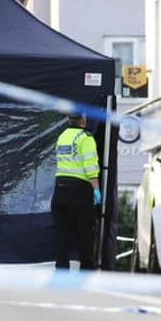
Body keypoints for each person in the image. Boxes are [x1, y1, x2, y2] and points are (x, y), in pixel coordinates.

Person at [52, 113, 101, 270]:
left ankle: (61, 269)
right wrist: (96, 189)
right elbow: (91, 166)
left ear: (68, 120)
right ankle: (86, 269)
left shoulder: (62, 137)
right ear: (84, 121)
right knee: (85, 233)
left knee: (62, 233)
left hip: (60, 189)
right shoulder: (85, 138)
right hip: (80, 190)